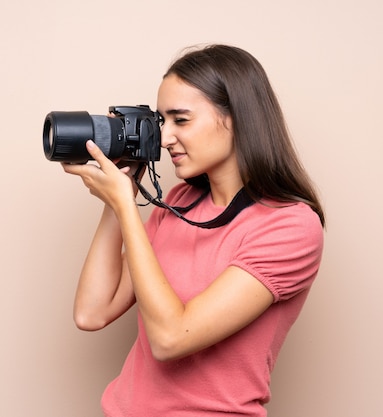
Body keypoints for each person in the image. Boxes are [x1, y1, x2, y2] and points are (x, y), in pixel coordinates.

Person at [62, 44, 325, 417]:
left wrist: (125, 207)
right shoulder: (181, 202)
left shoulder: (290, 227)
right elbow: (92, 312)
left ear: (236, 119)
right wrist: (119, 196)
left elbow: (170, 338)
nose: (166, 138)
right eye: (162, 121)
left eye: (181, 120)